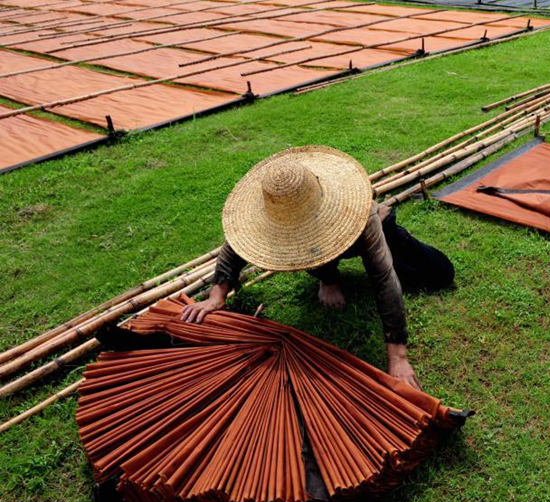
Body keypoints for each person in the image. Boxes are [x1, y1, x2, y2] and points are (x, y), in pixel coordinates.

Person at [180, 146, 454, 391]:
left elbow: (383, 278)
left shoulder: (359, 213)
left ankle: (353, 257)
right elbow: (233, 248)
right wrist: (217, 295)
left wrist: (398, 357)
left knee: (440, 273)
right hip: (316, 251)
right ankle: (327, 276)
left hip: (370, 230)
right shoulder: (272, 217)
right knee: (309, 255)